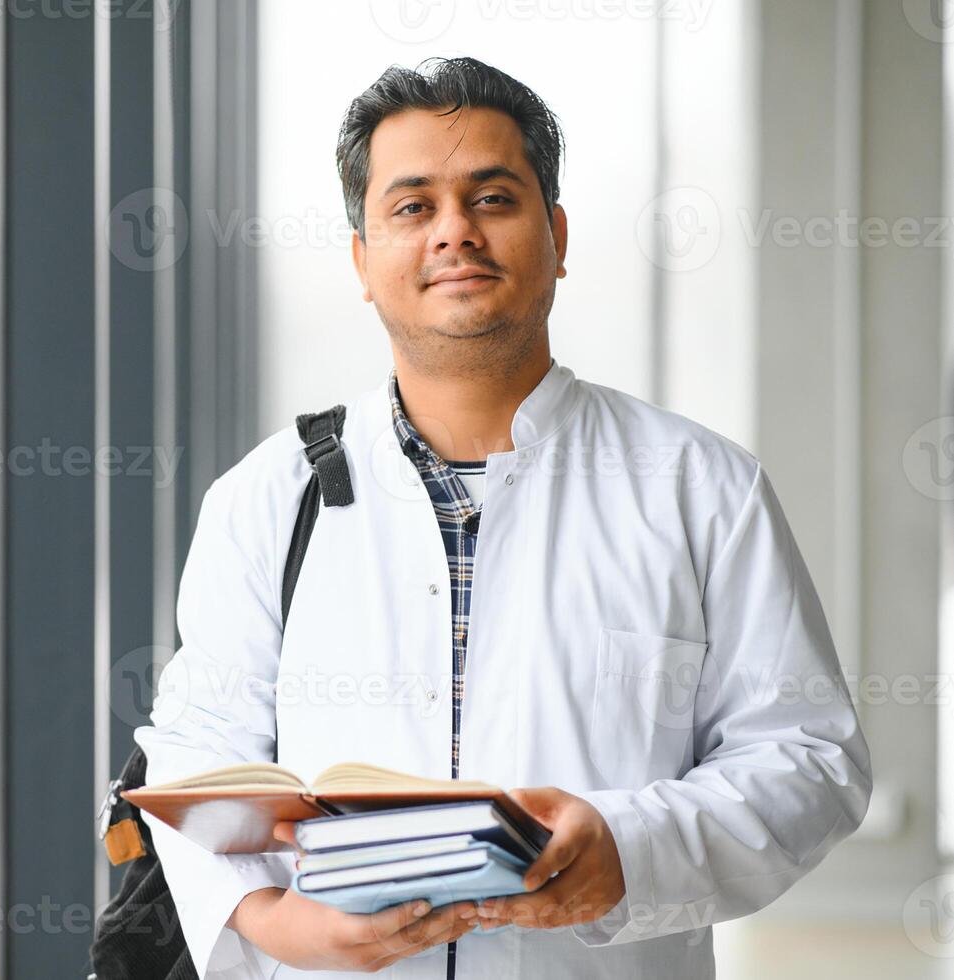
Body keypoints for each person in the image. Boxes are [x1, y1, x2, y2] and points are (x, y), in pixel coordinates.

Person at [132, 56, 871, 979]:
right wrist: (267, 916)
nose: (454, 232)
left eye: (492, 198)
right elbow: (198, 751)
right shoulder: (266, 496)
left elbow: (808, 759)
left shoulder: (698, 487)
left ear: (556, 236)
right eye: (411, 207)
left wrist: (626, 849)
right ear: (363, 259)